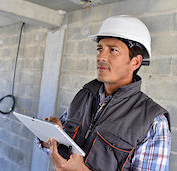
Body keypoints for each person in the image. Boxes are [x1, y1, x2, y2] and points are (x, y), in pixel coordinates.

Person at [39, 15, 171, 171]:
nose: (100, 56)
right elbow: (59, 149)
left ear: (135, 62)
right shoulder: (83, 96)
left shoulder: (153, 122)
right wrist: (51, 140)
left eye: (113, 50)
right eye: (100, 49)